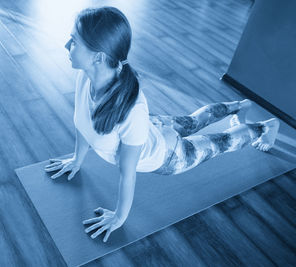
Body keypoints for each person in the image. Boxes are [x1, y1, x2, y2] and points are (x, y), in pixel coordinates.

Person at [44, 6, 280, 243]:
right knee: (195, 121)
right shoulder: (85, 77)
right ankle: (241, 105)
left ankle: (267, 127)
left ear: (98, 56)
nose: (66, 46)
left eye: (74, 41)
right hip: (153, 126)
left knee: (223, 142)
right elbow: (83, 123)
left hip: (169, 155)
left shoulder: (130, 112)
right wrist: (76, 159)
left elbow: (127, 174)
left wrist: (119, 217)